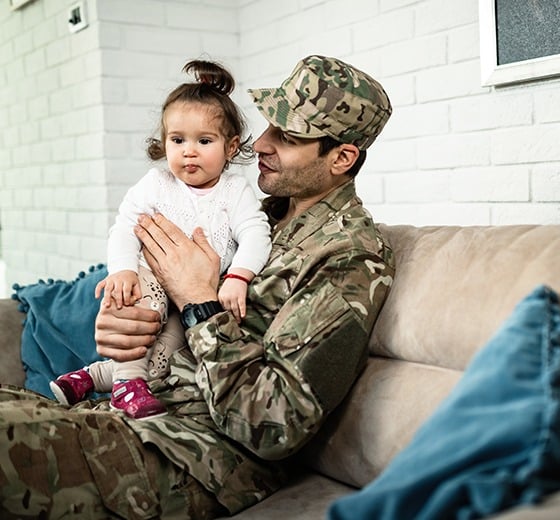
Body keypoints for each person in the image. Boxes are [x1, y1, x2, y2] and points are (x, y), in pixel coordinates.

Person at [0, 55, 394, 519]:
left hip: (196, 449)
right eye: (268, 125)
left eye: (286, 136)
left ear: (341, 158)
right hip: (135, 402)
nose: (260, 143)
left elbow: (274, 426)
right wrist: (123, 325)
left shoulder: (348, 256)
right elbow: (142, 259)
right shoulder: (259, 215)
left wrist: (198, 302)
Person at [48, 59, 272, 421]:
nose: (189, 151)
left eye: (204, 140)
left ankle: (92, 377)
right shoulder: (157, 183)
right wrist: (122, 270)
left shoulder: (235, 191)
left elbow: (255, 233)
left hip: (196, 294)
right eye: (177, 140)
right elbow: (124, 227)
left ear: (231, 148)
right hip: (152, 275)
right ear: (164, 141)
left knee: (166, 357)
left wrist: (239, 276)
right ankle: (126, 388)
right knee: (141, 315)